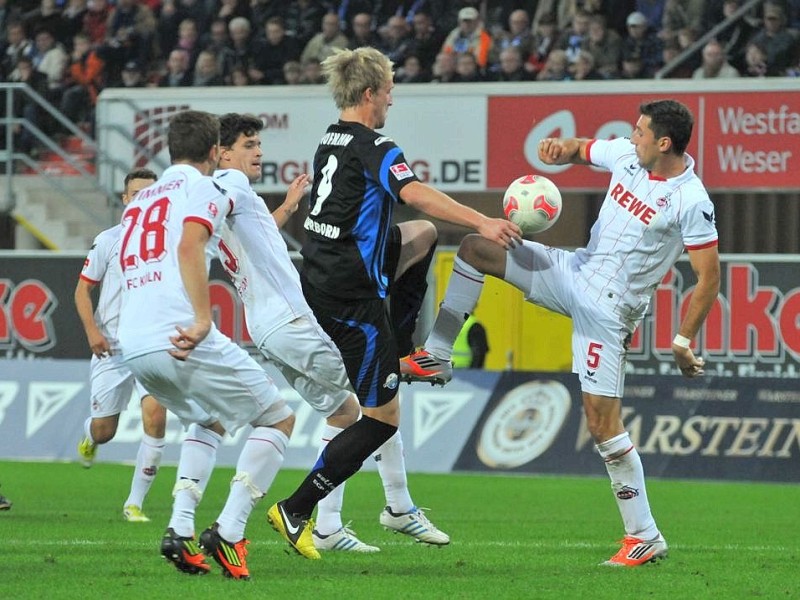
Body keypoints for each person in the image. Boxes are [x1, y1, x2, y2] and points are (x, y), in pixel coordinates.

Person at [402, 99, 720, 567]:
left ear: (664, 143)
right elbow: (582, 148)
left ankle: (644, 534)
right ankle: (437, 353)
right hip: (573, 270)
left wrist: (683, 340)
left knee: (602, 426)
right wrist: (558, 150)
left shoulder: (692, 200)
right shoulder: (628, 156)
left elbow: (708, 277)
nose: (633, 136)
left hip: (609, 312)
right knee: (476, 248)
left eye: (640, 131)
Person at [265, 46, 520, 559]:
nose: (390, 103)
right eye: (387, 94)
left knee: (423, 236)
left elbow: (407, 216)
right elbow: (417, 193)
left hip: (329, 271)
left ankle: (400, 350)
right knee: (381, 419)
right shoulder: (376, 145)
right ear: (368, 95)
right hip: (349, 295)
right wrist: (482, 221)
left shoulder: (329, 139)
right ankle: (295, 508)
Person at [212, 112, 448, 554]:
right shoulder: (227, 183)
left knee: (346, 413)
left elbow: (256, 233)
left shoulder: (228, 202)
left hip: (264, 327)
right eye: (249, 145)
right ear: (221, 154)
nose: (259, 151)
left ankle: (328, 527)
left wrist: (288, 204)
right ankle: (394, 506)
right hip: (292, 321)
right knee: (381, 399)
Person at [116, 110, 295, 580]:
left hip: (134, 342)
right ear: (216, 151)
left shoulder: (140, 199)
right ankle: (231, 531)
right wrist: (200, 317)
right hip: (178, 334)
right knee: (278, 417)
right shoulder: (205, 188)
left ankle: (178, 528)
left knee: (207, 420)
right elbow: (189, 246)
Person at [75, 167, 166, 524]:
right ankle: (89, 436)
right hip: (110, 347)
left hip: (149, 343)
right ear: (125, 199)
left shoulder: (169, 241)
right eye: (137, 194)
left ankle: (134, 503)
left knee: (156, 415)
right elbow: (82, 290)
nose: (143, 200)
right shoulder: (109, 239)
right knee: (104, 431)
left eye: (150, 194)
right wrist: (92, 333)